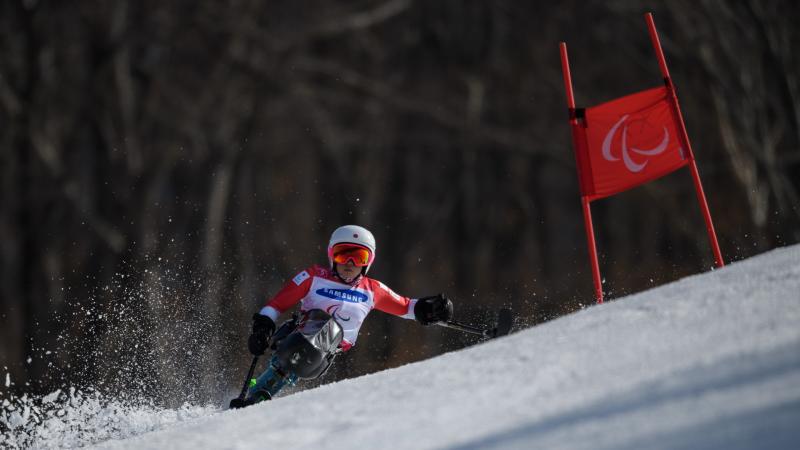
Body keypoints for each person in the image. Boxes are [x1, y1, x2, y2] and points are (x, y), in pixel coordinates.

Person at [242, 224, 453, 405]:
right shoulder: (314, 277)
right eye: (343, 255)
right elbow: (276, 304)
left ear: (368, 262)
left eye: (359, 257)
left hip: (329, 351)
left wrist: (429, 309)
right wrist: (263, 326)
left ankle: (270, 384)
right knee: (322, 327)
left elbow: (407, 307)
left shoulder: (372, 290)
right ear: (331, 255)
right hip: (298, 336)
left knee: (328, 334)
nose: (349, 264)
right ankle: (262, 389)